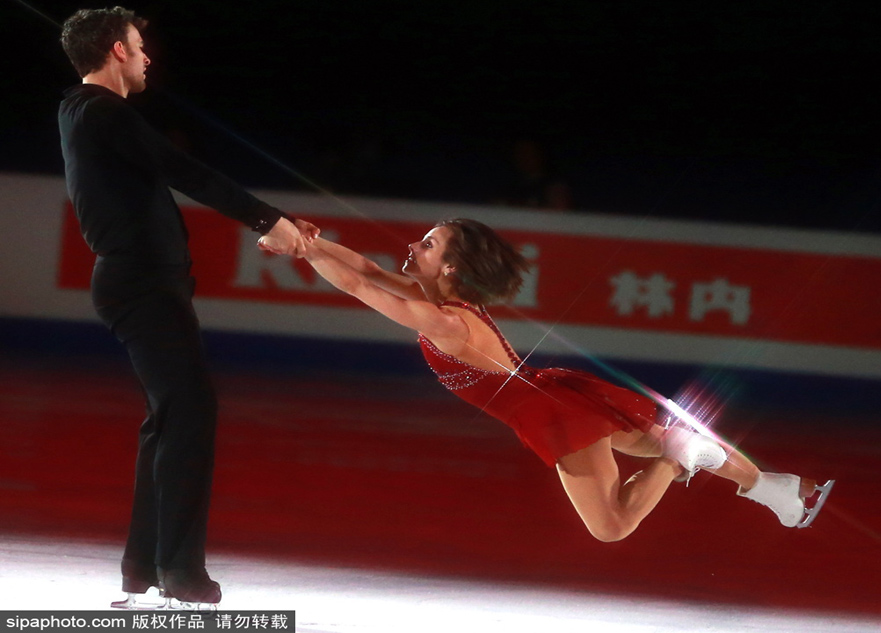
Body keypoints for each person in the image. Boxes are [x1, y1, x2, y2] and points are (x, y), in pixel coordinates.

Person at [261, 218, 834, 541]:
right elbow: (364, 269)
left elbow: (361, 287)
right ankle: (781, 493)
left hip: (549, 412)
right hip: (552, 391)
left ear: (452, 268)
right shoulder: (439, 295)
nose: (413, 246)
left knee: (612, 524)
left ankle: (676, 458)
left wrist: (300, 248)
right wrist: (304, 241)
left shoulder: (443, 322)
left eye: (428, 245)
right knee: (670, 433)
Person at [58, 7, 318, 607]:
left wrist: (274, 222)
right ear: (116, 51)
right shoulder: (100, 110)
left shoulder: (91, 113)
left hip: (146, 283)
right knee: (190, 413)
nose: (147, 55)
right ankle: (178, 571)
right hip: (141, 284)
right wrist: (266, 219)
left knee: (172, 418)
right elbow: (183, 170)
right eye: (138, 44)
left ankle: (145, 568)